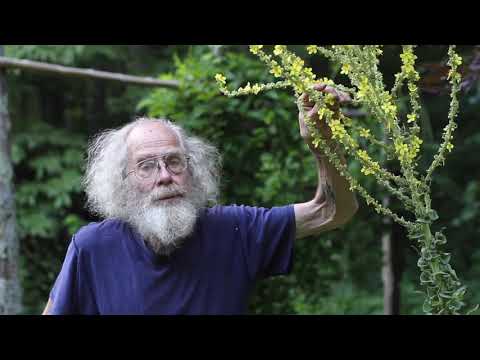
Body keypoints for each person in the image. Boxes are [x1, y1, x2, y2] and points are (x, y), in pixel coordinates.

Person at [42, 84, 358, 315]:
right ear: (121, 182)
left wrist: (323, 142)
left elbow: (333, 211)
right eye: (147, 166)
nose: (164, 175)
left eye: (174, 161)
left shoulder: (235, 230)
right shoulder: (93, 248)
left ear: (193, 170)